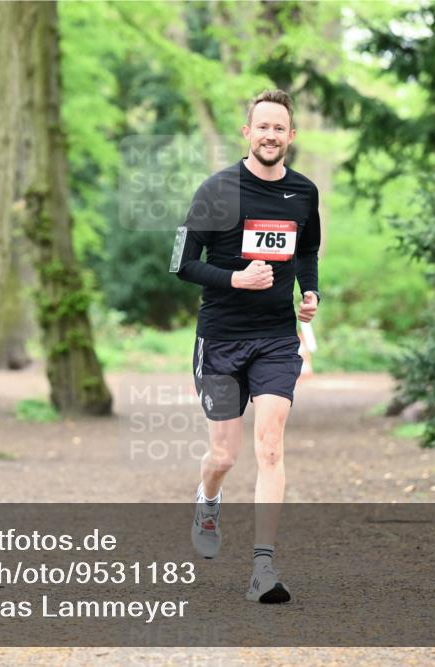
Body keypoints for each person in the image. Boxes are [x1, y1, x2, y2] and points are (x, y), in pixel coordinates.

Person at [171, 89, 320, 603]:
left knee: (271, 445)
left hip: (276, 340)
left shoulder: (304, 193)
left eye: (280, 128)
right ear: (247, 132)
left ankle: (263, 569)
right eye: (263, 127)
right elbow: (182, 263)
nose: (271, 136)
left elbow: (308, 252)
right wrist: (236, 281)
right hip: (220, 340)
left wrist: (311, 293)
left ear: (291, 136)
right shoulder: (216, 190)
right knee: (224, 455)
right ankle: (207, 500)